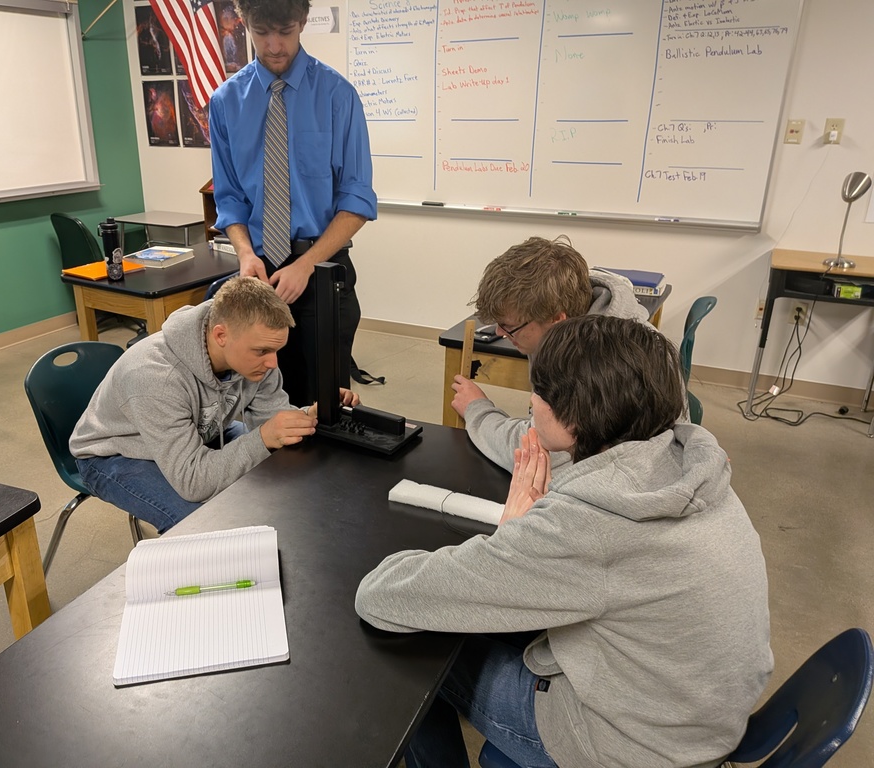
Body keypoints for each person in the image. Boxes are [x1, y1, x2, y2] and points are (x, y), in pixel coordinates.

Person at [356, 315, 772, 768]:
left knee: (408, 644)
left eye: (538, 393)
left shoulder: (589, 525)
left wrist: (515, 535)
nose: (530, 404)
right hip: (702, 714)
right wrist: (531, 540)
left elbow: (382, 595)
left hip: (635, 749)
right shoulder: (688, 462)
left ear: (572, 415)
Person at [70, 277, 358, 533]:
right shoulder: (154, 378)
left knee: (282, 467)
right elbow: (193, 482)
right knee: (202, 524)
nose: (272, 363)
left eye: (276, 350)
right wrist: (263, 438)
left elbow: (273, 421)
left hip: (199, 430)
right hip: (115, 453)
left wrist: (310, 415)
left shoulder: (256, 357)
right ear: (221, 335)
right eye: (262, 351)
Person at [209, 0, 378, 406]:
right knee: (262, 401)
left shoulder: (338, 95)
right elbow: (230, 197)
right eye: (261, 32)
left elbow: (357, 200)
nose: (273, 45)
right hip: (259, 273)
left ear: (303, 21)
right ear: (244, 23)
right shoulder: (226, 101)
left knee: (324, 404)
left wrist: (306, 265)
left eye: (284, 31)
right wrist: (245, 253)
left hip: (322, 270)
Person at [451, 235, 654, 470]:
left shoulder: (601, 368)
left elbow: (535, 453)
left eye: (509, 327)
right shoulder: (563, 325)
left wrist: (477, 408)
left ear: (557, 319)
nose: (499, 332)